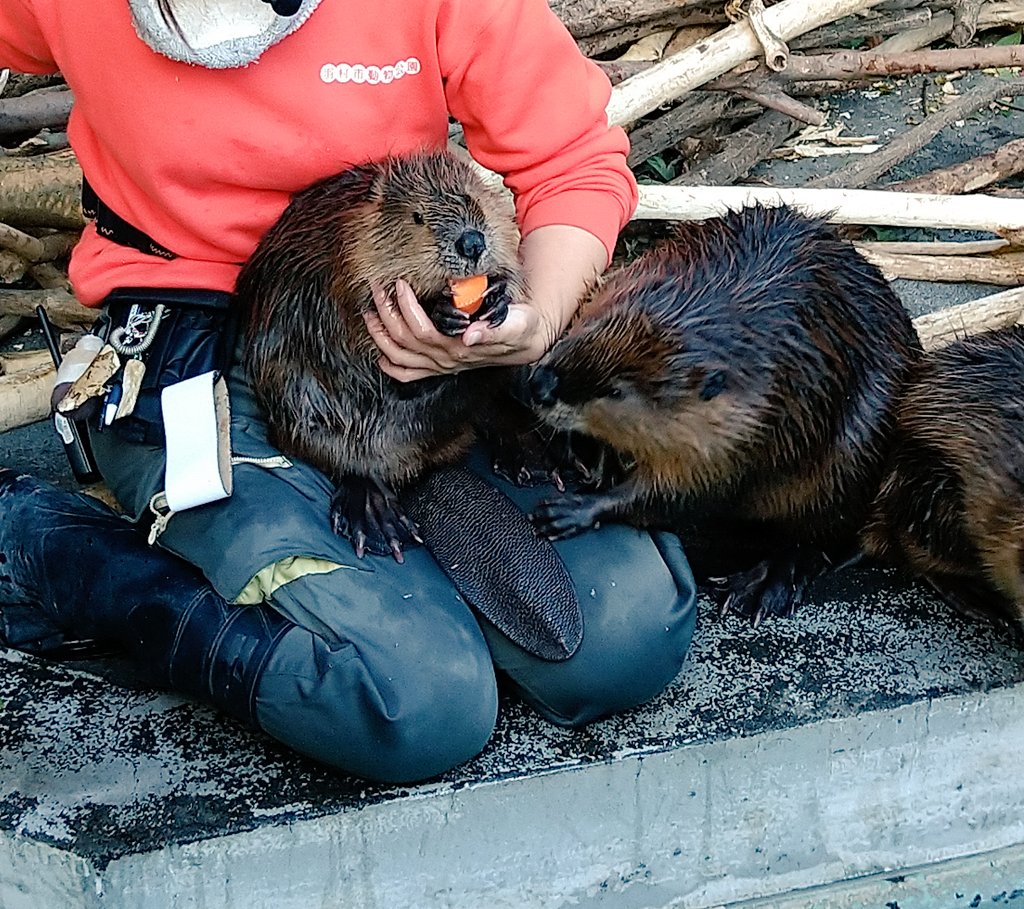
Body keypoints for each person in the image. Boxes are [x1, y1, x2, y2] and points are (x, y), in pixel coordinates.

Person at [0, 0, 697, 783]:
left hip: (419, 331)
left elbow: (572, 159)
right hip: (205, 347)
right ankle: (55, 548)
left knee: (628, 634)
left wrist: (530, 324)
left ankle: (393, 549)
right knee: (413, 701)